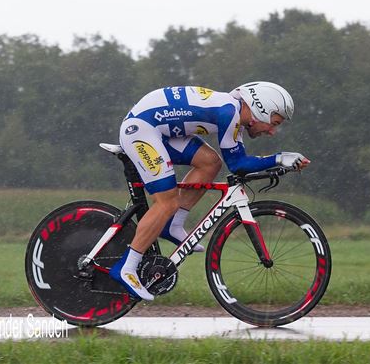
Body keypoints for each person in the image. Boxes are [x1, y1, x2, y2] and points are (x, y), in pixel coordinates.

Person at [109, 81, 310, 300]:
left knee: (210, 162)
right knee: (167, 202)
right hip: (141, 129)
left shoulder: (233, 113)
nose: (272, 131)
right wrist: (279, 158)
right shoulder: (228, 113)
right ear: (260, 109)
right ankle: (127, 267)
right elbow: (238, 165)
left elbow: (236, 162)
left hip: (159, 129)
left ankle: (172, 225)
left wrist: (277, 161)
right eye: (274, 122)